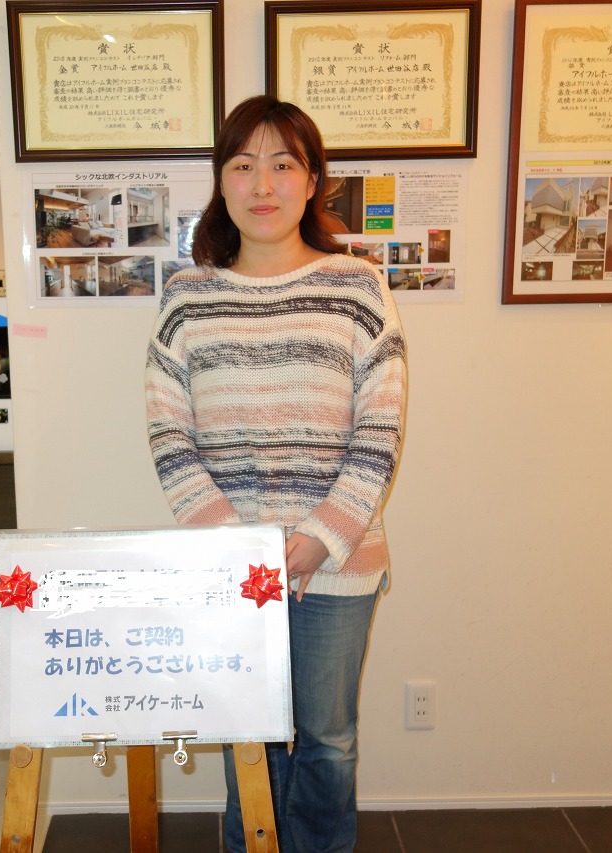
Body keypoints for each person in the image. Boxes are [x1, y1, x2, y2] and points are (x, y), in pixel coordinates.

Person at [144, 95, 408, 853]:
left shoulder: (357, 287)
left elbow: (380, 428)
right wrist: (240, 547)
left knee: (327, 741)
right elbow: (169, 435)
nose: (263, 184)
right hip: (232, 569)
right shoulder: (188, 296)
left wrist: (322, 536)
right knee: (249, 741)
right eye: (242, 164)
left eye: (283, 164)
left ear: (312, 180)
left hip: (339, 564)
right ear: (221, 182)